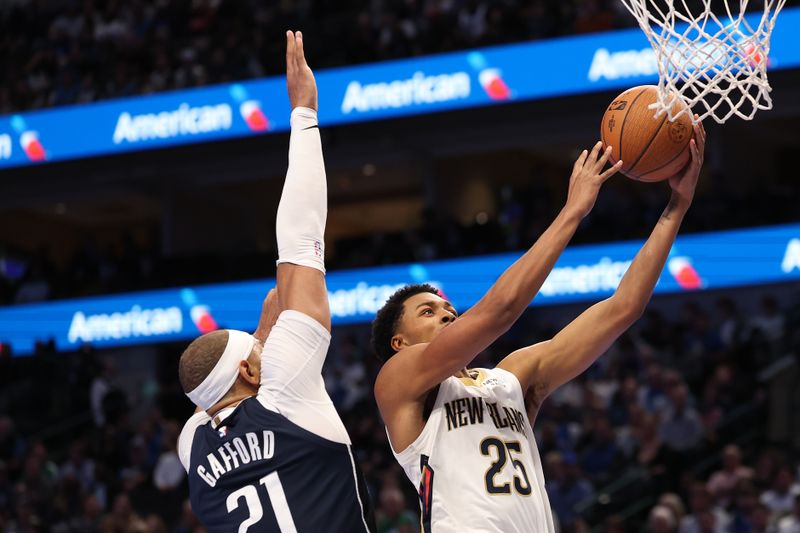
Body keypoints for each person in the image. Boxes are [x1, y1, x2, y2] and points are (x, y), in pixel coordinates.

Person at [371, 122, 705, 532]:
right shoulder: (399, 381)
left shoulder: (511, 377)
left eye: (449, 309)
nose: (447, 314)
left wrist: (677, 205)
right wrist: (573, 211)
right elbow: (501, 310)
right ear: (399, 342)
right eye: (428, 311)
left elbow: (623, 308)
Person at [177, 31, 375, 532]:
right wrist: (304, 112)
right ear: (247, 370)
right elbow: (301, 238)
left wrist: (258, 344)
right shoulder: (285, 389)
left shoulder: (191, 445)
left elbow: (216, 395)